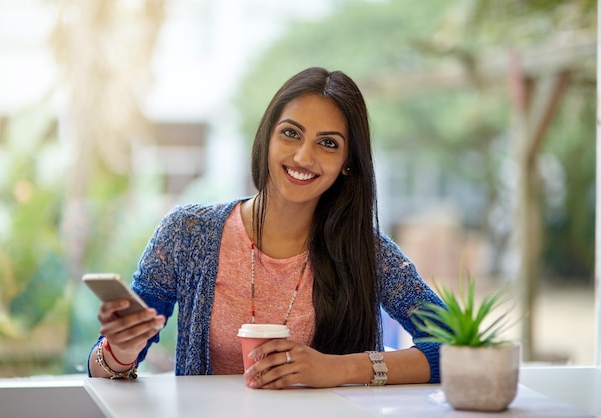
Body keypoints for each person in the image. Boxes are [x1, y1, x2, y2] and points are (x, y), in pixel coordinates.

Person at [87, 66, 445, 388]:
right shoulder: (187, 232)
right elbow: (102, 368)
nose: (304, 157)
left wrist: (338, 369)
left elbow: (454, 346)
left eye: (328, 143)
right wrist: (120, 350)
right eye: (291, 134)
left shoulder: (367, 252)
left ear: (347, 164)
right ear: (267, 138)